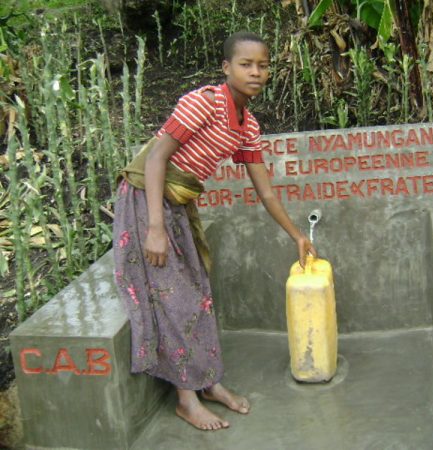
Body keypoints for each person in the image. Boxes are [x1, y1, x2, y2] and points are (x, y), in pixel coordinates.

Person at [113, 31, 316, 431]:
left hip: (177, 205)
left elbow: (266, 192)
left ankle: (208, 384)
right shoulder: (203, 103)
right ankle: (186, 400)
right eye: (246, 64)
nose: (255, 72)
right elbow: (155, 159)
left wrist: (297, 235)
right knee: (176, 299)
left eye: (263, 66)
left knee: (199, 294)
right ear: (226, 68)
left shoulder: (247, 126)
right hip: (144, 201)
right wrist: (154, 227)